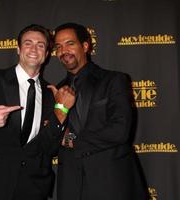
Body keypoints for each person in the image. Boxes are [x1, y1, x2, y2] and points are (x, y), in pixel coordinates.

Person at [0, 24, 75, 200]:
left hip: (33, 189)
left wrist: (61, 111)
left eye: (40, 45)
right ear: (18, 49)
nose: (34, 49)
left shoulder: (50, 94)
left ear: (46, 54)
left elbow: (49, 148)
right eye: (28, 43)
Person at [53, 23, 149, 200]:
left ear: (85, 46)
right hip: (72, 186)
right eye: (58, 46)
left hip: (112, 183)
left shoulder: (113, 80)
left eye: (69, 43)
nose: (63, 51)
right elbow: (52, 139)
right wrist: (60, 109)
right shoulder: (56, 92)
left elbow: (120, 130)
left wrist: (74, 141)